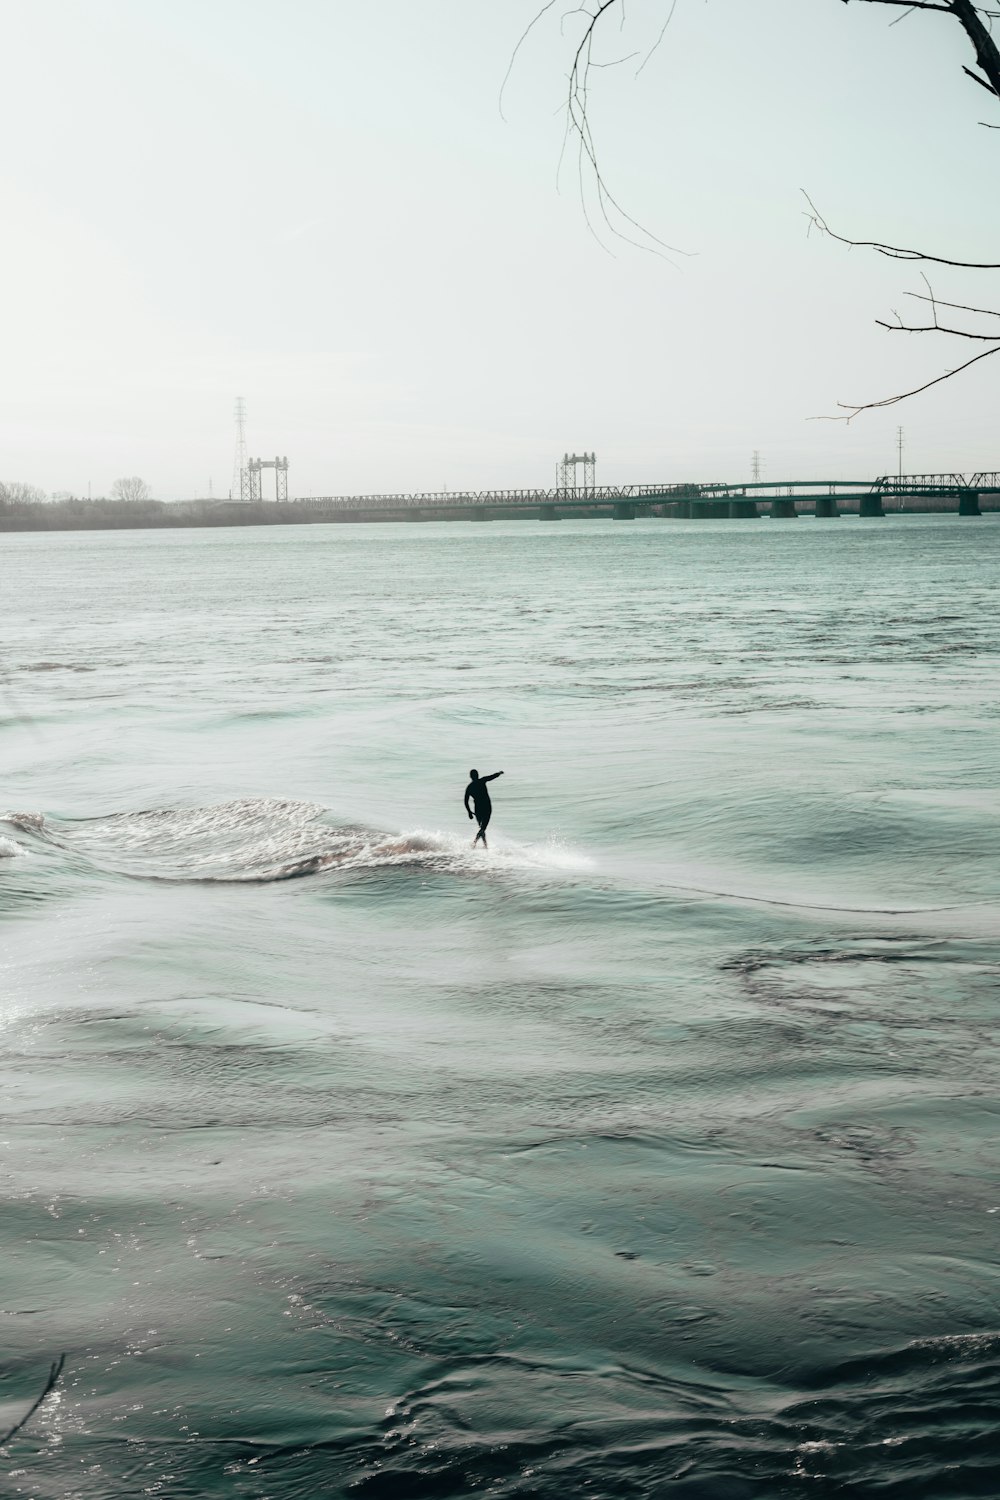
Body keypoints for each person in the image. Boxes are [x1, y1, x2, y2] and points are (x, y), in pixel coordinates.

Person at [464, 768, 503, 849]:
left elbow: (466, 801)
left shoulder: (469, 787)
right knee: (483, 828)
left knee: (482, 828)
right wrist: (499, 773)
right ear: (477, 775)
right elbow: (492, 777)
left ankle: (485, 846)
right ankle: (475, 843)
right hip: (486, 807)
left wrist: (469, 812)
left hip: (478, 809)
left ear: (470, 776)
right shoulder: (482, 780)